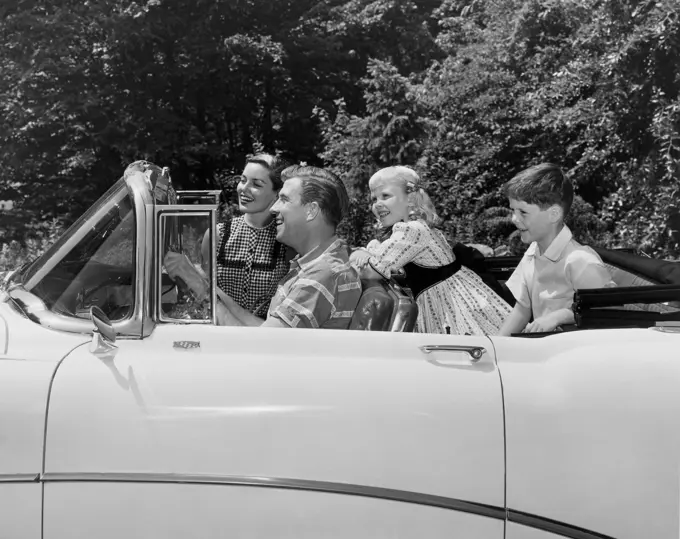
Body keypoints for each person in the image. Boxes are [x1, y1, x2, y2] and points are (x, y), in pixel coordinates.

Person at [351, 166, 512, 335]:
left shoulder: (412, 230)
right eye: (374, 199)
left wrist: (359, 254)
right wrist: (367, 253)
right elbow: (383, 253)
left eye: (385, 196)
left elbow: (372, 272)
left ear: (410, 198)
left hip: (452, 309)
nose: (378, 204)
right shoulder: (419, 227)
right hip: (444, 301)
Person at [216, 165, 362, 329]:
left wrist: (205, 297)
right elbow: (267, 329)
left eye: (284, 199)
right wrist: (212, 293)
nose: (273, 208)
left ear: (311, 210)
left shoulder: (320, 277)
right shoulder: (316, 265)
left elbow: (262, 344)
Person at [498, 163, 615, 335]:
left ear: (554, 214)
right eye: (512, 210)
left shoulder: (580, 261)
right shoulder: (533, 252)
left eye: (523, 212)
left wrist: (559, 316)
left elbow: (607, 312)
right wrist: (497, 345)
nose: (514, 219)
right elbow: (523, 308)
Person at [200, 154, 292, 319]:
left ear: (277, 193)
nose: (243, 189)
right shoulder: (217, 235)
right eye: (243, 180)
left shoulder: (287, 240)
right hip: (220, 335)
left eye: (256, 184)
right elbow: (202, 292)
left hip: (266, 337)